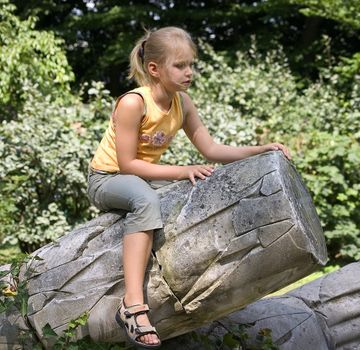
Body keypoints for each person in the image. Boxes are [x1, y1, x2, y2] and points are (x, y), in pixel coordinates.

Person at [86, 26, 290, 349]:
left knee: (191, 193)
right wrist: (182, 171)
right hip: (107, 178)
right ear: (154, 69)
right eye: (180, 66)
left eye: (191, 65)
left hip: (142, 178)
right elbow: (126, 164)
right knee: (145, 201)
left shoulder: (182, 103)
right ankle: (133, 305)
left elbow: (211, 150)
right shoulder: (133, 103)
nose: (188, 72)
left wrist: (259, 150)